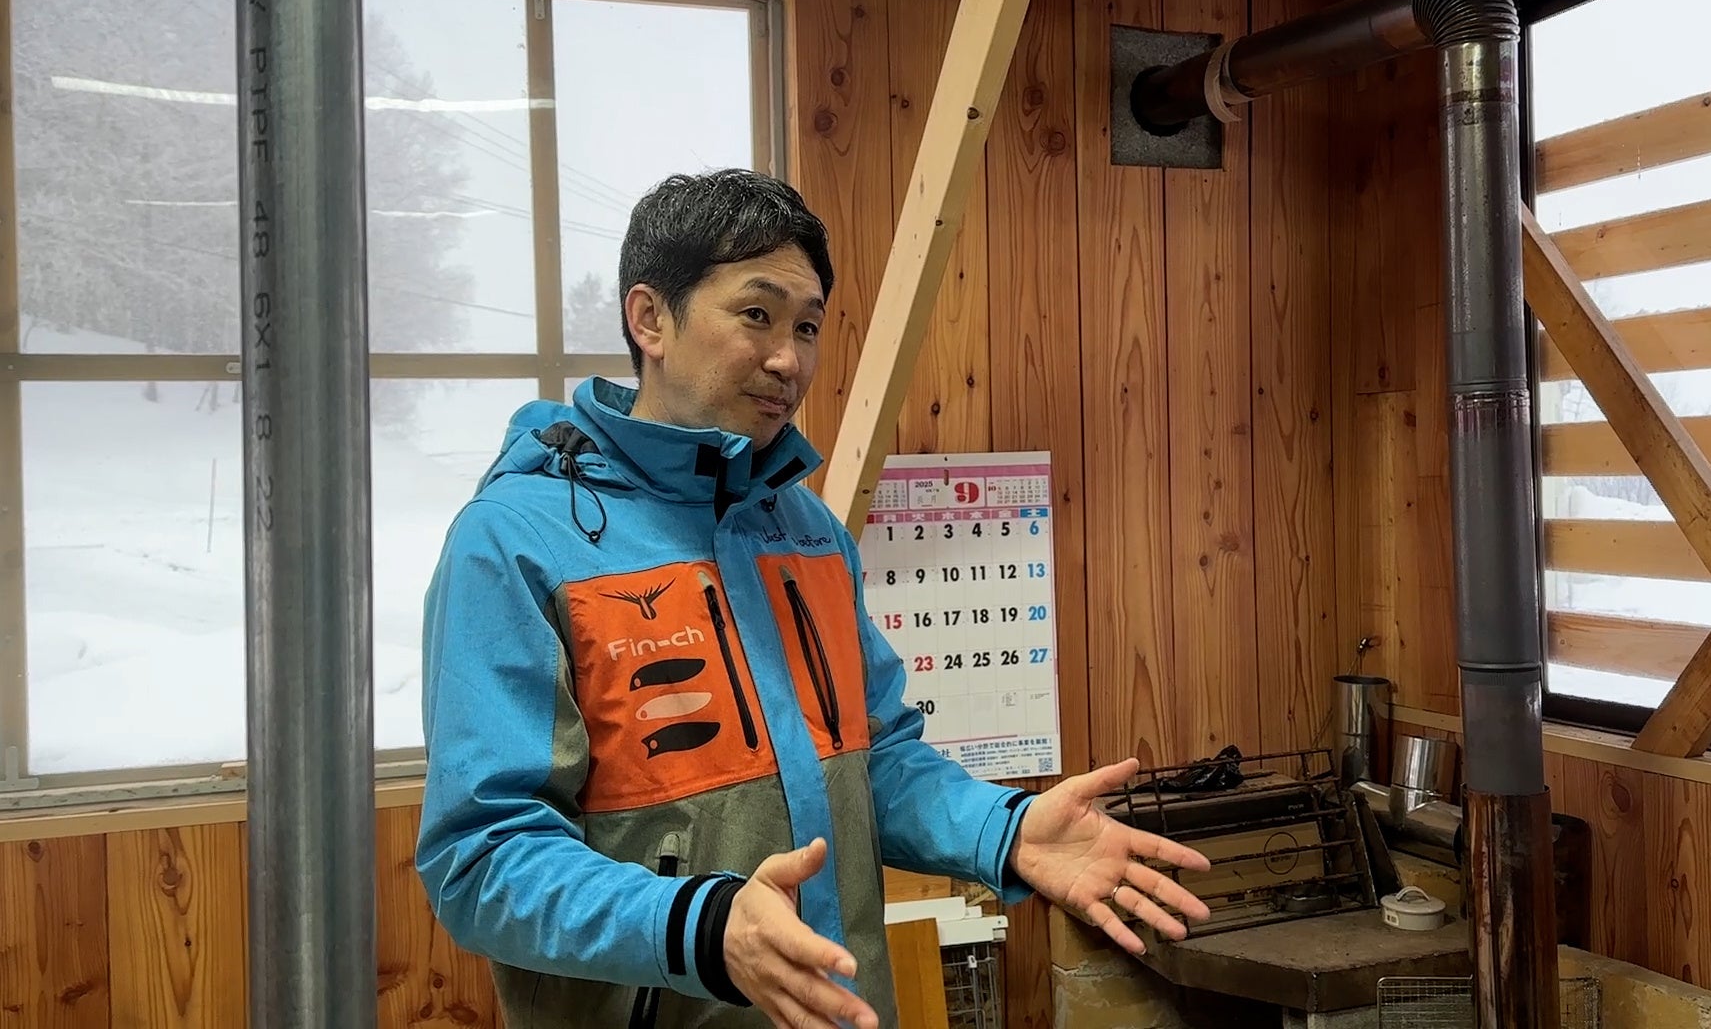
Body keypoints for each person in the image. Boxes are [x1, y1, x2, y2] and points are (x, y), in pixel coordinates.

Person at [415, 168, 1210, 1029]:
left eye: (806, 326)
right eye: (756, 315)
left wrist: (1003, 830)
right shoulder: (516, 541)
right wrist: (700, 927)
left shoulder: (804, 530)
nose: (788, 360)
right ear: (650, 319)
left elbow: (877, 761)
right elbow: (483, 859)